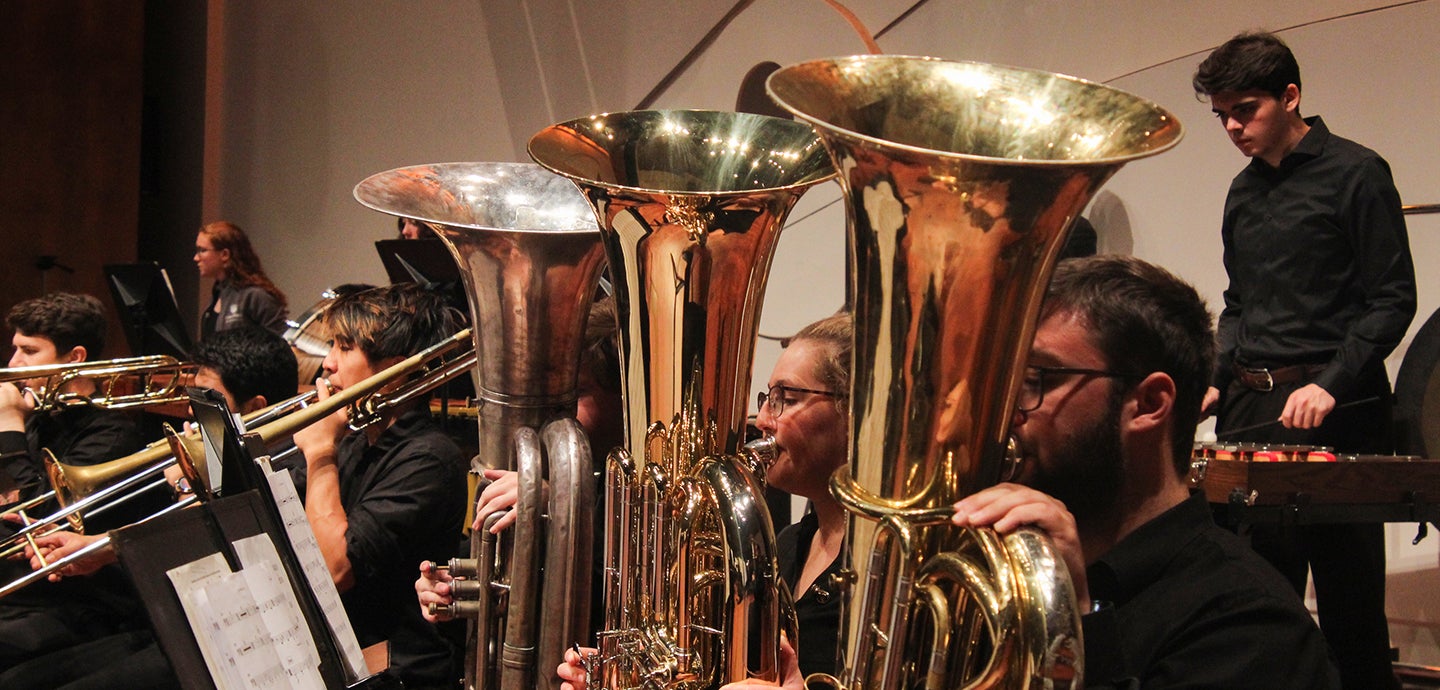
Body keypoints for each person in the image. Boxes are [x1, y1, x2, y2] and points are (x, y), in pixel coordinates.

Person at [944, 255, 1338, 688]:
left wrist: (1072, 627)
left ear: (1149, 404)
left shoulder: (1251, 627)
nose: (1006, 413)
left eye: (1037, 379)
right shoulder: (998, 579)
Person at [1193, 31, 1414, 690]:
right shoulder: (1241, 191)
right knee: (1263, 602)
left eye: (1246, 110)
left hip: (1335, 409)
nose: (1233, 127)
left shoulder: (1356, 172)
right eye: (1223, 115)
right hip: (1251, 407)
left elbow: (1392, 300)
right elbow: (1239, 303)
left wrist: (1331, 383)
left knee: (1349, 612)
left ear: (1290, 96)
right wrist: (1212, 380)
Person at [550, 311, 853, 690]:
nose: (762, 420)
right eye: (767, 398)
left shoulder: (882, 568)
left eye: (785, 399)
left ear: (852, 412)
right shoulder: (787, 547)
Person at [4, 327, 300, 690]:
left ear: (255, 407)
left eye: (208, 400)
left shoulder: (289, 466)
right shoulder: (217, 448)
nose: (192, 411)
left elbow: (229, 557)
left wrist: (181, 483)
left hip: (230, 635)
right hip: (168, 616)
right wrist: (102, 547)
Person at [292, 283, 468, 689]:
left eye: (345, 347)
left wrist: (319, 453)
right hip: (340, 654)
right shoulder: (355, 439)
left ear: (394, 372)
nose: (327, 364)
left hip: (394, 671)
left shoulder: (428, 459)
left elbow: (333, 568)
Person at [0, 293, 151, 679]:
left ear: (75, 358)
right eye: (14, 349)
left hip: (80, 603)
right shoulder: (35, 415)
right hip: (24, 590)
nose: (12, 364)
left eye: (29, 351)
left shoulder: (111, 434)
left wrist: (9, 429)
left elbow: (41, 522)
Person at [195, 220, 289, 338]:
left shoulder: (256, 296)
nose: (196, 258)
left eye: (202, 250)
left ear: (224, 254)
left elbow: (281, 346)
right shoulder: (218, 293)